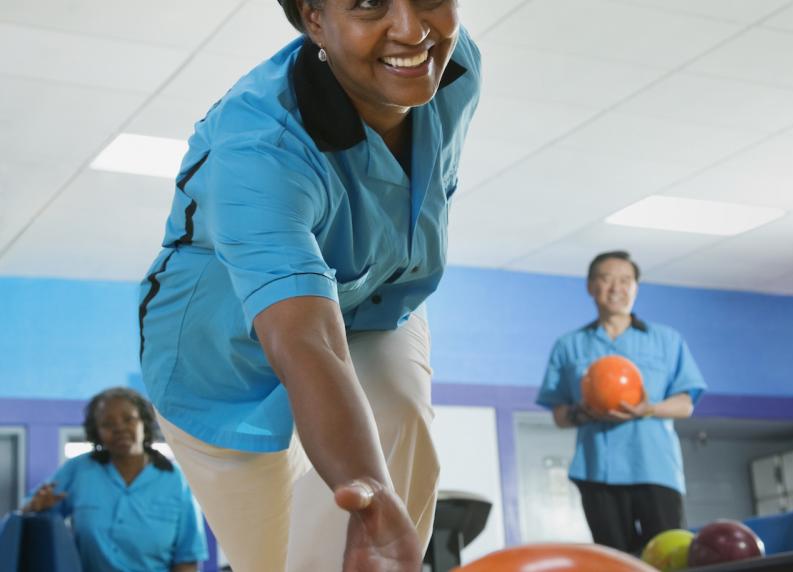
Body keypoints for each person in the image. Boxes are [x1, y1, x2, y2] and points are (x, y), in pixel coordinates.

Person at [137, 0, 480, 570]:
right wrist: (366, 487)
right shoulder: (259, 141)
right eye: (369, 3)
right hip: (222, 356)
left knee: (401, 416)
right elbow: (307, 341)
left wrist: (377, 504)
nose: (413, 28)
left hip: (373, 299)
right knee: (274, 558)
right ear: (313, 18)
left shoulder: (451, 63)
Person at [536, 251, 707, 555]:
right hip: (596, 472)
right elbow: (560, 414)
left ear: (636, 288)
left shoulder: (666, 340)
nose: (616, 287)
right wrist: (582, 413)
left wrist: (649, 408)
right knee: (614, 561)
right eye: (606, 279)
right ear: (591, 287)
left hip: (655, 469)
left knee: (669, 556)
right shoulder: (569, 345)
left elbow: (685, 404)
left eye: (625, 280)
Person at [22, 387, 208, 572]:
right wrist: (34, 507)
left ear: (144, 422)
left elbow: (188, 558)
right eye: (107, 424)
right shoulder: (79, 470)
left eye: (128, 419)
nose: (119, 428)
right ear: (96, 432)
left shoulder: (175, 481)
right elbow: (30, 508)